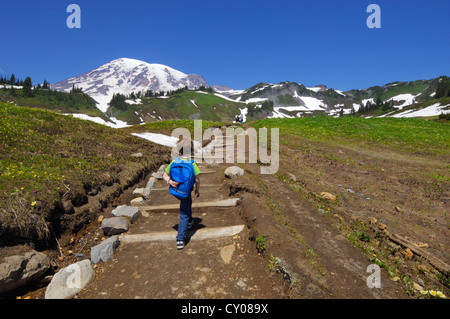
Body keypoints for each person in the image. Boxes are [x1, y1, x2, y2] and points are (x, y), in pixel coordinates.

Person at [162, 155, 200, 250]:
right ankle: (180, 239)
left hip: (176, 190)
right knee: (184, 213)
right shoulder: (192, 163)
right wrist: (197, 190)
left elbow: (164, 175)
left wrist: (170, 182)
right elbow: (197, 180)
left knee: (187, 203)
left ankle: (190, 221)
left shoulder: (174, 162)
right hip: (185, 191)